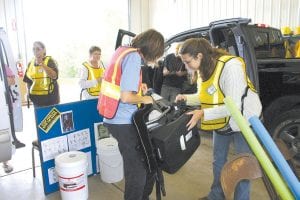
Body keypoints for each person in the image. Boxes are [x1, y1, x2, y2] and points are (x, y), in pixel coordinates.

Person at [175, 38, 262, 200]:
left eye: (187, 62)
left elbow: (234, 106)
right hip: (221, 121)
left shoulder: (231, 66)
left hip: (243, 120)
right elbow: (206, 97)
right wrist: (186, 98)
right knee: (218, 161)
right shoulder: (204, 69)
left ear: (199, 56)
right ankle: (216, 196)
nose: (186, 67)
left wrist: (202, 114)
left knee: (242, 166)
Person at [97, 29, 164, 200]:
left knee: (137, 164)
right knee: (138, 171)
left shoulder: (122, 51)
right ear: (152, 49)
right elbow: (126, 97)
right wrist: (146, 98)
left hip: (113, 117)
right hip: (122, 121)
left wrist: (138, 88)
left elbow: (122, 85)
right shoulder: (134, 57)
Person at [23, 41, 60, 107]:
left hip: (51, 99)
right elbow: (28, 81)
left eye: (38, 49)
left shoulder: (50, 61)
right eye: (33, 49)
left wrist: (42, 64)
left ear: (44, 50)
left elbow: (54, 76)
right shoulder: (30, 63)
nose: (35, 51)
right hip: (36, 100)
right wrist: (28, 92)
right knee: (39, 117)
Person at [2, 66, 16, 173]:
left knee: (5, 135)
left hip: (5, 110)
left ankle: (5, 162)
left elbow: (12, 81)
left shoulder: (3, 66)